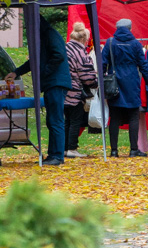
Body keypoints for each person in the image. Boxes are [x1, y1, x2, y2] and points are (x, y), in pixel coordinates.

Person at [5, 15, 72, 165]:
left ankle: (57, 156)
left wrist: (43, 73)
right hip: (53, 82)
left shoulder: (49, 34)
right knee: (52, 120)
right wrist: (17, 72)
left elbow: (58, 56)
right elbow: (35, 60)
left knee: (55, 120)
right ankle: (54, 155)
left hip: (55, 82)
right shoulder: (45, 35)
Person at [104, 19, 148, 157]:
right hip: (132, 82)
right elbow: (143, 65)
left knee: (114, 117)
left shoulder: (110, 43)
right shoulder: (135, 44)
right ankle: (133, 149)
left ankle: (114, 151)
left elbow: (103, 63)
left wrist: (102, 83)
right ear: (130, 29)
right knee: (133, 116)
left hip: (114, 83)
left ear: (117, 28)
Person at [64, 22, 98, 158]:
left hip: (62, 90)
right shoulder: (80, 52)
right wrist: (95, 82)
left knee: (66, 120)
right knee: (75, 120)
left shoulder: (65, 48)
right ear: (84, 39)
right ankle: (72, 148)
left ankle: (64, 148)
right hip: (74, 91)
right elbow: (87, 76)